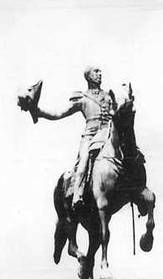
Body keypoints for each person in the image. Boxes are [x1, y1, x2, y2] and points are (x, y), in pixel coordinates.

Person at [32, 65, 117, 211]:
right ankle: (77, 195)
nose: (100, 74)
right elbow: (59, 113)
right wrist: (39, 112)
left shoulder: (109, 95)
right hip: (91, 137)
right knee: (84, 161)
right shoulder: (82, 98)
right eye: (96, 72)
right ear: (88, 76)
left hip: (108, 134)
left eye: (100, 71)